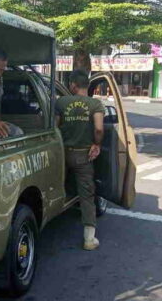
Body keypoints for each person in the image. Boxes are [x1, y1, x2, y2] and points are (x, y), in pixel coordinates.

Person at [55, 69, 105, 251]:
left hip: (63, 153)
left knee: (57, 185)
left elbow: (55, 127)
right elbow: (99, 129)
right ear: (87, 85)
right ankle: (89, 239)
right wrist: (96, 144)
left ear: (73, 85)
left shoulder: (61, 102)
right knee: (86, 195)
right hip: (84, 155)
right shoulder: (96, 104)